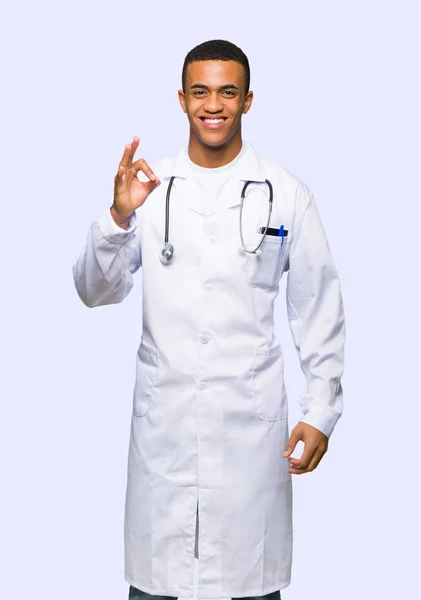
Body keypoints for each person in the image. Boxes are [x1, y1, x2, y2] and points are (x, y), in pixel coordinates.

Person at [72, 39, 346, 600]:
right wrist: (119, 215)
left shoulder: (286, 194)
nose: (213, 104)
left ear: (248, 100)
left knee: (251, 584)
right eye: (200, 91)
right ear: (181, 99)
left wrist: (322, 410)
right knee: (154, 585)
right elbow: (94, 292)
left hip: (249, 433)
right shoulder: (150, 190)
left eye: (227, 91)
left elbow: (318, 305)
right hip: (163, 433)